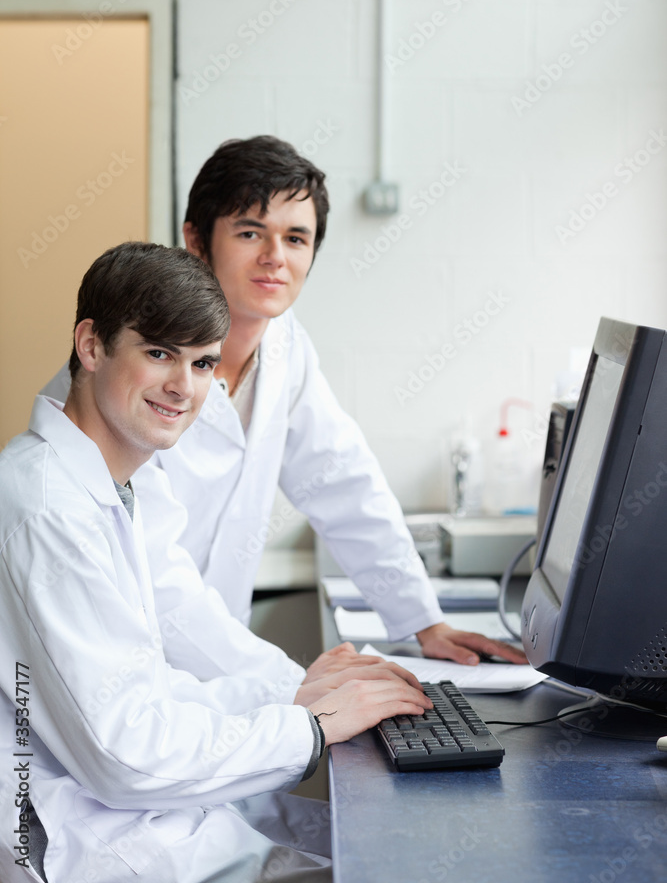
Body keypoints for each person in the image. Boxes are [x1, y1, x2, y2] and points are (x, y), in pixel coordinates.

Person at [1, 242, 432, 883]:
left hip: (143, 822)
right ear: (91, 347)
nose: (184, 387)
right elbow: (125, 755)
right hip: (87, 846)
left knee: (388, 849)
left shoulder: (107, 486)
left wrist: (289, 695)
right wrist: (310, 728)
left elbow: (148, 688)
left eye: (203, 363)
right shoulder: (47, 507)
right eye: (158, 354)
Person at [43, 137, 524, 665]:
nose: (275, 258)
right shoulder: (128, 369)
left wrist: (423, 622)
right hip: (118, 657)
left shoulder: (285, 347)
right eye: (251, 232)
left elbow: (345, 484)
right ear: (196, 240)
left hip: (211, 660)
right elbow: (155, 562)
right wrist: (284, 685)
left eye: (296, 238)